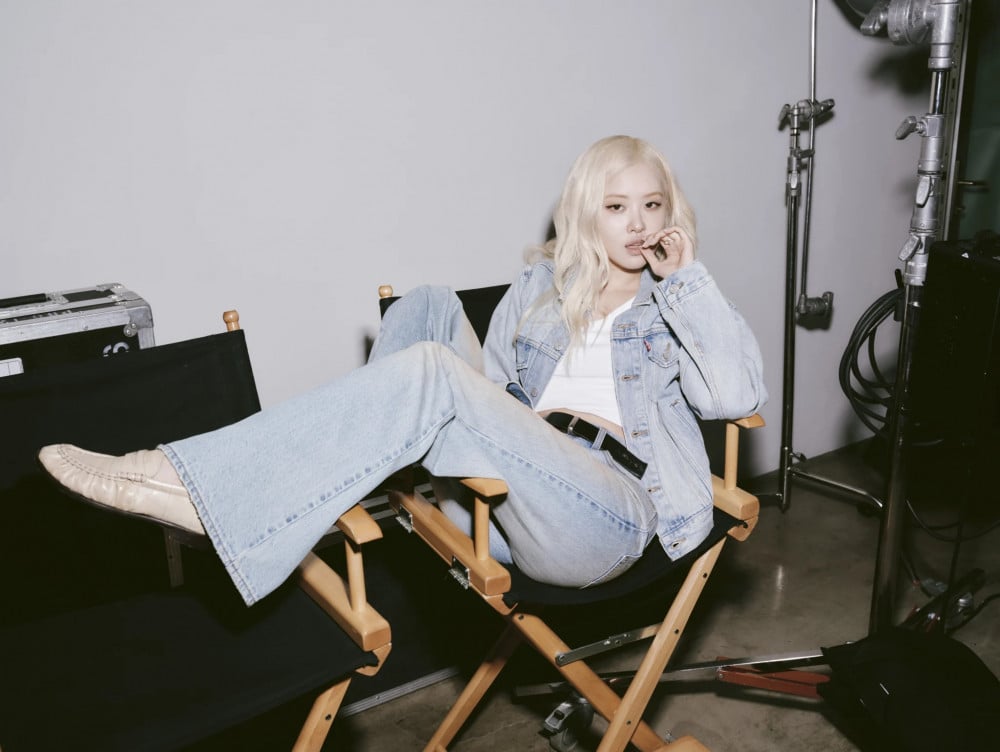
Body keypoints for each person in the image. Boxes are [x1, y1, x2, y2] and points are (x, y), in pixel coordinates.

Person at [39, 135, 767, 607]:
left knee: (434, 374)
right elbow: (500, 389)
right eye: (616, 206)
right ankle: (358, 471)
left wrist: (687, 281)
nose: (637, 223)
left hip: (608, 512)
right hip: (506, 498)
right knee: (428, 304)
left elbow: (732, 396)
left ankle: (197, 484)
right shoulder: (542, 289)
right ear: (587, 214)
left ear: (672, 214)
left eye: (652, 205)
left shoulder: (678, 305)